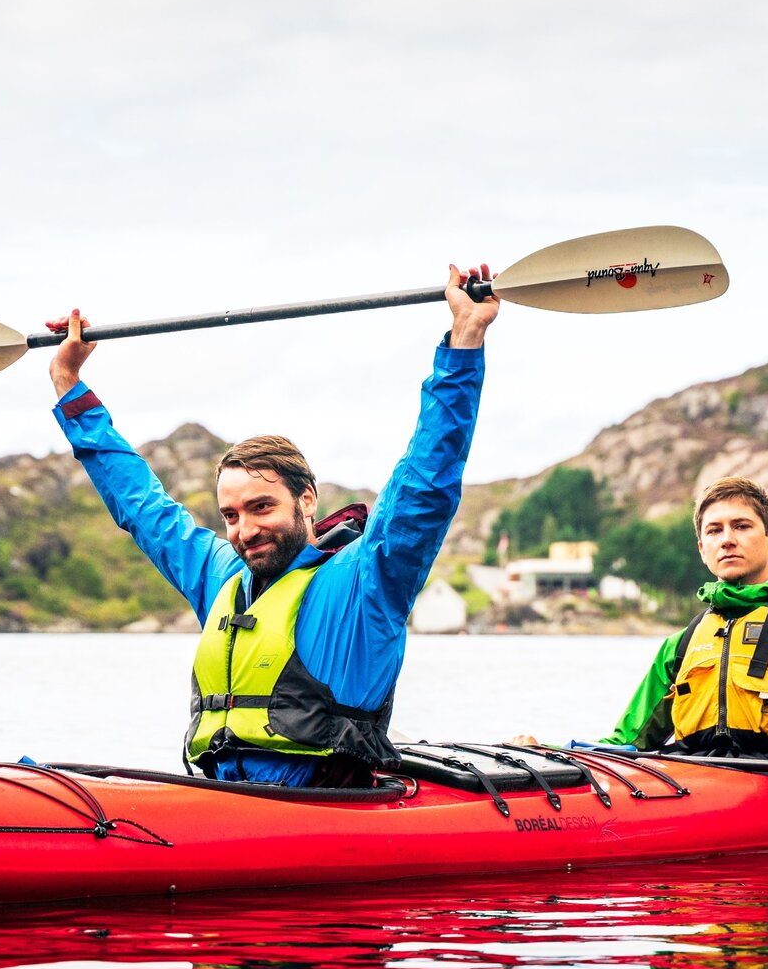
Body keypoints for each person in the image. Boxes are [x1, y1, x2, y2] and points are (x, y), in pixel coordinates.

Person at [49, 264, 500, 787]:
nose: (244, 530)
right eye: (232, 515)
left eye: (262, 507)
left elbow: (427, 481)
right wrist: (69, 384)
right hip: (222, 799)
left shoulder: (368, 582)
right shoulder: (222, 579)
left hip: (322, 812)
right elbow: (140, 505)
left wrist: (464, 340)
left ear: (306, 499)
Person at [516, 476, 768, 785]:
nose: (727, 539)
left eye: (741, 526)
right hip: (695, 785)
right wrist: (550, 755)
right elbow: (625, 743)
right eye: (714, 530)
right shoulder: (683, 644)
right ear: (702, 548)